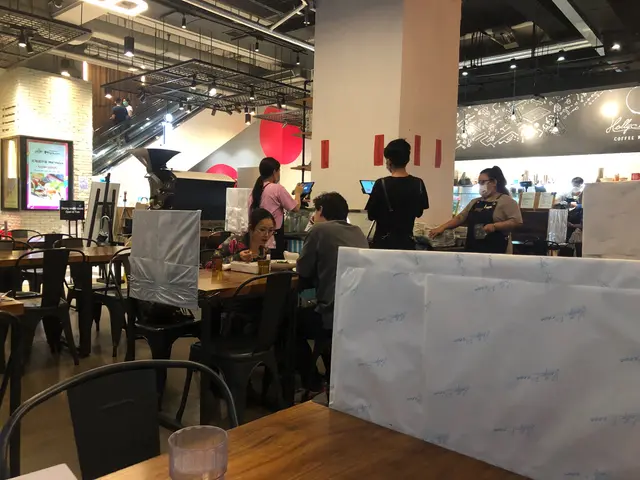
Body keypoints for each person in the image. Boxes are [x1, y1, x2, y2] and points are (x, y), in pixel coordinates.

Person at [296, 192, 369, 392]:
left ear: (320, 210)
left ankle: (311, 380)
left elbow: (303, 270)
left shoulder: (319, 230)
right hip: (356, 314)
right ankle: (329, 374)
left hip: (331, 315)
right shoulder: (357, 232)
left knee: (287, 323)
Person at [429, 166, 523, 254]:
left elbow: (516, 222)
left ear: (494, 182)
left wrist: (495, 226)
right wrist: (442, 227)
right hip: (473, 249)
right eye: (479, 183)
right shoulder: (475, 202)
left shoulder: (506, 201)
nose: (480, 185)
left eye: (483, 182)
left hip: (496, 250)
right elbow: (460, 218)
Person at [365, 139, 429, 250]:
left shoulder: (381, 184)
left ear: (389, 161)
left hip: (383, 244)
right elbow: (419, 212)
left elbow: (371, 215)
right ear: (407, 159)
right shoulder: (418, 183)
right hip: (407, 244)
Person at [249, 157, 303, 259]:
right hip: (272, 237)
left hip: (256, 238)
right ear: (275, 172)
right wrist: (298, 193)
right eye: (279, 171)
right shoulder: (277, 188)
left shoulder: (254, 191)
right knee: (273, 264)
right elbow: (295, 208)